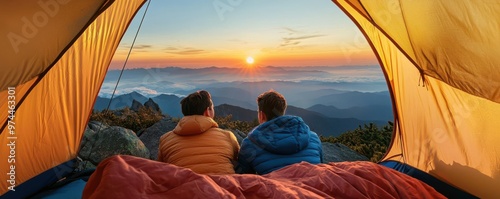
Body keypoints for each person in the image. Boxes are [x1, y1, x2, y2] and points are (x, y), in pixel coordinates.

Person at [237, 90, 323, 174]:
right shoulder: (313, 138)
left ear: (261, 115)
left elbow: (245, 179)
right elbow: (321, 168)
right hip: (313, 186)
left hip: (277, 187)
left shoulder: (250, 144)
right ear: (282, 112)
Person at [158, 90, 240, 174]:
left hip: (183, 186)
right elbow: (239, 163)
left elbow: (162, 171)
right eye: (212, 108)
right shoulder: (227, 136)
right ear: (207, 111)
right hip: (222, 185)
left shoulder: (165, 140)